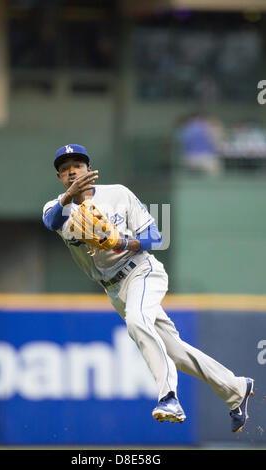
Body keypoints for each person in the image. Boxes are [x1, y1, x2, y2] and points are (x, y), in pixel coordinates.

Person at [42, 144, 254, 433]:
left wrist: (121, 243)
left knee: (138, 322)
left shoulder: (118, 193)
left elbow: (155, 237)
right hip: (114, 290)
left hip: (142, 271)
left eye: (77, 165)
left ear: (89, 169)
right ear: (59, 177)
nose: (72, 171)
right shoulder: (57, 208)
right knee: (176, 353)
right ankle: (236, 388)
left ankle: (168, 397)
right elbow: (50, 221)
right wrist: (68, 197)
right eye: (65, 168)